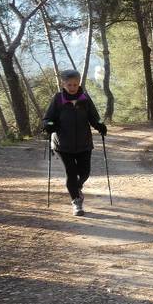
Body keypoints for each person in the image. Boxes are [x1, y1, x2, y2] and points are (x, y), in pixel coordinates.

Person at [43, 68, 106, 217]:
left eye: (75, 84)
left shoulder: (85, 98)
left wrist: (100, 125)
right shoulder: (58, 99)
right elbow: (47, 118)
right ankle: (76, 202)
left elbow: (94, 117)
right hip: (63, 144)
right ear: (63, 84)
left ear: (79, 84)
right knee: (71, 174)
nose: (72, 87)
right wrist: (49, 125)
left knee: (85, 172)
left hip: (84, 143)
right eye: (69, 84)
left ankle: (76, 188)